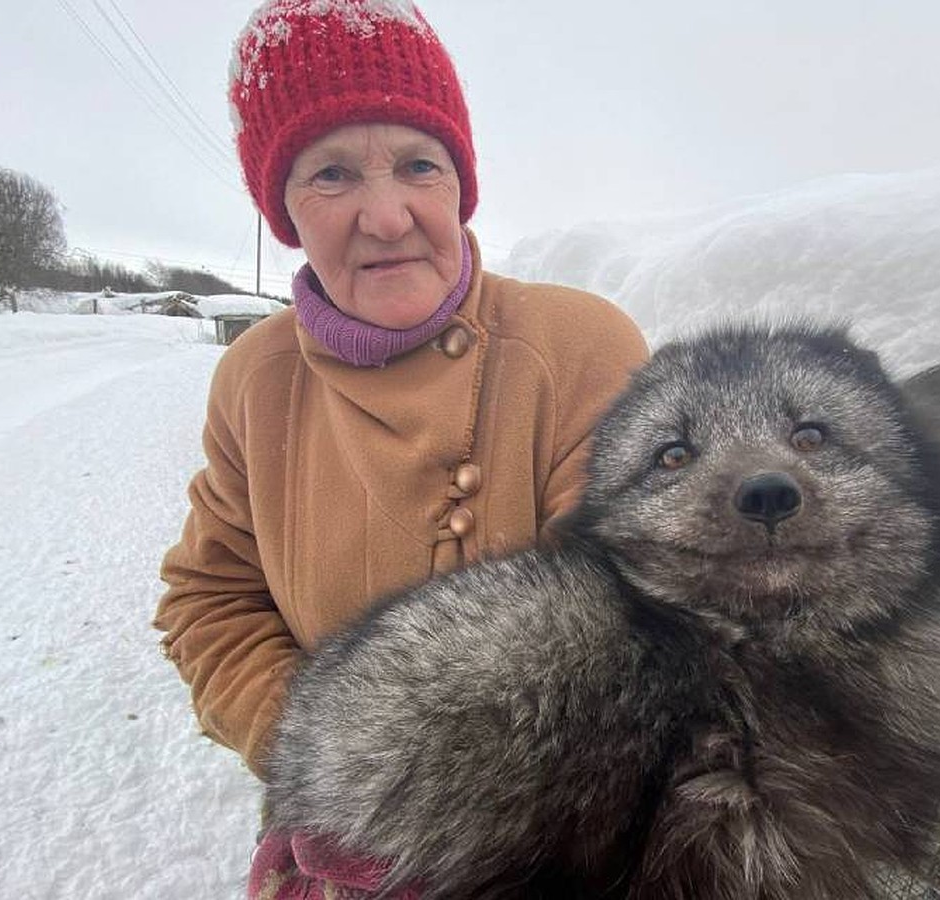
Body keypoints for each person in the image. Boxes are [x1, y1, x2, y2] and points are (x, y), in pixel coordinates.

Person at [154, 0, 647, 893]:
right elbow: (209, 596)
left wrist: (434, 802)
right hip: (330, 835)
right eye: (332, 174)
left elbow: (648, 636)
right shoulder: (254, 380)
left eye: (419, 164)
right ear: (284, 211)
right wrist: (320, 757)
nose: (386, 218)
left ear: (461, 181)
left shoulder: (581, 349)